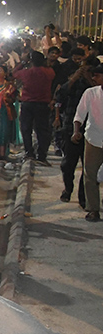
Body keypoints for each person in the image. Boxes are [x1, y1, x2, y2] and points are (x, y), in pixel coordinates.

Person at [56, 61, 96, 205]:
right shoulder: (75, 84)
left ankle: (83, 197)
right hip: (71, 128)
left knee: (88, 167)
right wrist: (75, 78)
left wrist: (89, 79)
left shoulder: (94, 88)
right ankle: (68, 189)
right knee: (68, 164)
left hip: (92, 131)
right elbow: (60, 95)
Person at [71, 65, 103, 223]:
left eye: (97, 75)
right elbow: (80, 114)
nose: (94, 78)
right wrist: (76, 131)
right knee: (90, 174)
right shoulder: (90, 93)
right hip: (93, 139)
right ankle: (93, 209)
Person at [15, 50, 56, 164]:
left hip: (28, 103)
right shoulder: (49, 72)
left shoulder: (26, 72)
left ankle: (29, 153)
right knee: (42, 130)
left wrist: (23, 62)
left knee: (26, 129)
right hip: (43, 104)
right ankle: (42, 155)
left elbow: (14, 73)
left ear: (31, 61)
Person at [0, 64, 20, 161]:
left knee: (4, 131)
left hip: (5, 111)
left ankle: (2, 153)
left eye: (1, 70)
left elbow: (15, 97)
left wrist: (8, 99)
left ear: (5, 73)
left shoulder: (9, 86)